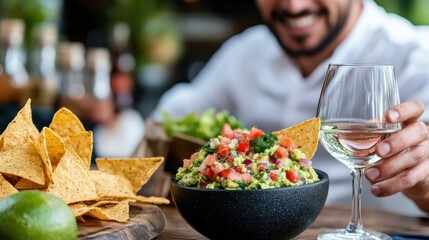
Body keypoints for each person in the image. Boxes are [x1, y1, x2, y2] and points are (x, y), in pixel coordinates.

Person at [149, 0, 429, 216]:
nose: (294, 6)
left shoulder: (415, 55)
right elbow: (169, 119)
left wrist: (425, 186)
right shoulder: (245, 52)